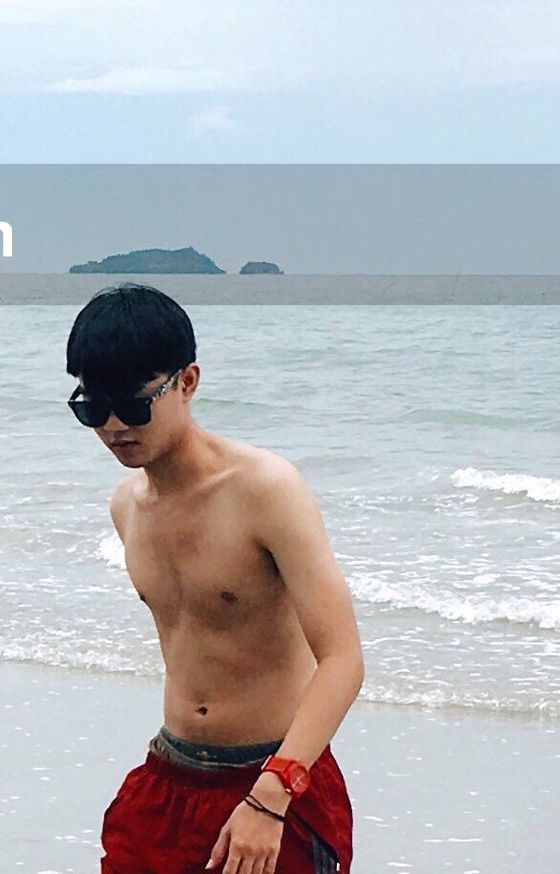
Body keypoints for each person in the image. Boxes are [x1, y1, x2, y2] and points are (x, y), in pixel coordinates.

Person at [67, 283, 363, 874]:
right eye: (92, 408)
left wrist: (272, 795)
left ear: (188, 382)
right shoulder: (127, 506)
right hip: (168, 781)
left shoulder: (266, 490)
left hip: (275, 783)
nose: (115, 425)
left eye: (134, 401)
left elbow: (343, 660)